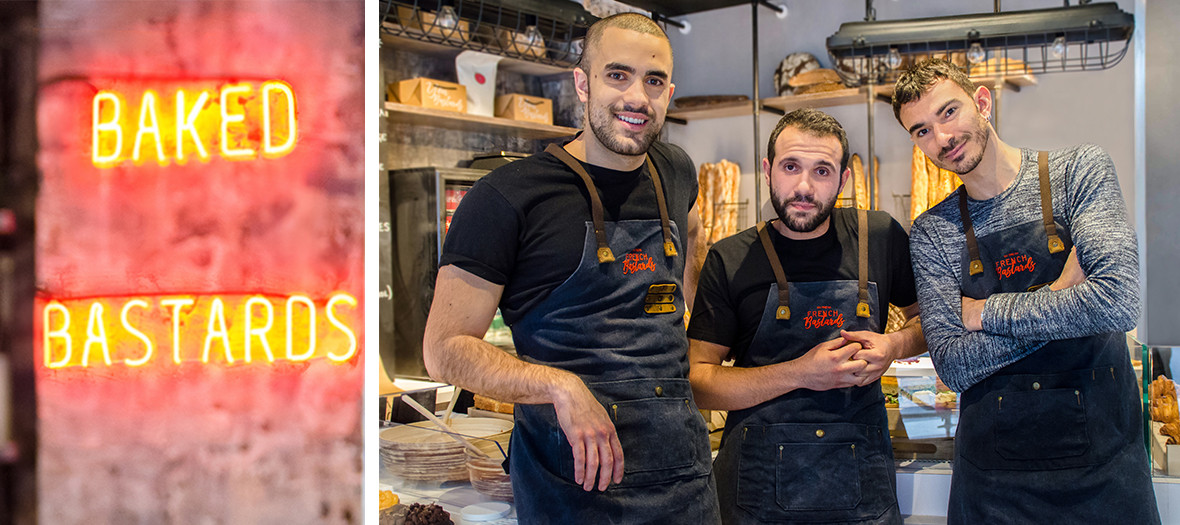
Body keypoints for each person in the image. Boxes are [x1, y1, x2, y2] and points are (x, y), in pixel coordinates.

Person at [421, 12, 719, 524]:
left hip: (682, 475)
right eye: (617, 75)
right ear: (582, 83)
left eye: (653, 82)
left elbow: (691, 237)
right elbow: (444, 351)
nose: (636, 98)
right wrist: (561, 387)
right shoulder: (507, 198)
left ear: (670, 92)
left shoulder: (675, 169)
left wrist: (709, 340)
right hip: (574, 483)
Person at [892, 58, 1160, 523]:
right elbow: (954, 364)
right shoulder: (932, 232)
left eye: (948, 113)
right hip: (994, 488)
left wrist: (983, 313)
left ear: (982, 102)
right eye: (921, 131)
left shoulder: (1079, 173)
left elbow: (1117, 302)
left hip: (1105, 474)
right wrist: (1061, 292)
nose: (941, 139)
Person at [688, 108, 925, 524]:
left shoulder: (880, 238)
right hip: (756, 497)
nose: (803, 186)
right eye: (790, 166)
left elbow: (926, 320)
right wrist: (800, 373)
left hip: (861, 489)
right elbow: (699, 382)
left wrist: (894, 345)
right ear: (767, 170)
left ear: (843, 179)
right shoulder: (731, 259)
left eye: (822, 171)